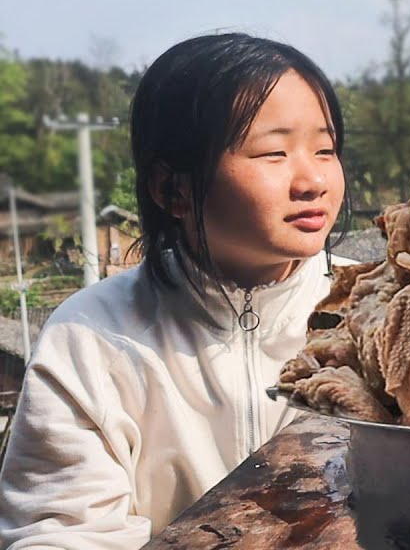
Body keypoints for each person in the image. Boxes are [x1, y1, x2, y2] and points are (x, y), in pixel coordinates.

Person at [0, 33, 348, 548]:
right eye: (273, 152)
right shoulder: (92, 335)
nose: (313, 179)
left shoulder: (375, 316)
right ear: (171, 188)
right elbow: (60, 532)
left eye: (325, 149)